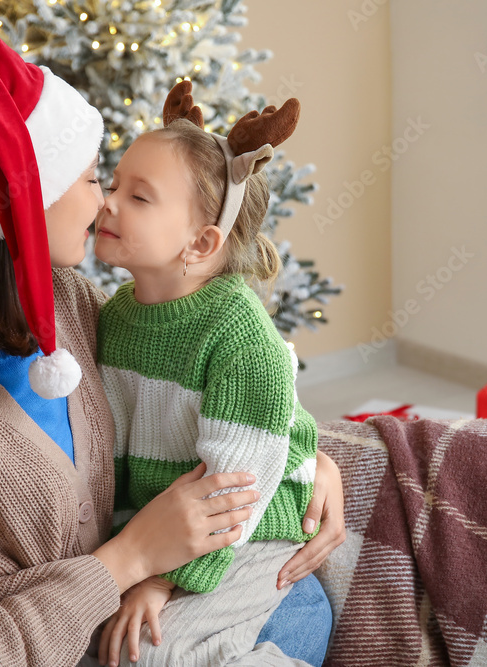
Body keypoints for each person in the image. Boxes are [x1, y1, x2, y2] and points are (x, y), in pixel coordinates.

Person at [0, 25, 345, 667]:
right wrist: (131, 558)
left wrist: (309, 462)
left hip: (119, 615)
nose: (103, 201)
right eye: (91, 179)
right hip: (19, 645)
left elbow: (227, 384)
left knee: (304, 597)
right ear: (22, 206)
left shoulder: (72, 302)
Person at [92, 82, 323, 667]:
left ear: (200, 242)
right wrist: (127, 558)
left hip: (251, 533)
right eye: (114, 185)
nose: (108, 203)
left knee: (154, 654)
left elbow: (235, 490)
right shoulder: (116, 317)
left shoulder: (241, 340)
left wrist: (159, 580)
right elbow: (110, 452)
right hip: (168, 530)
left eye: (138, 198)